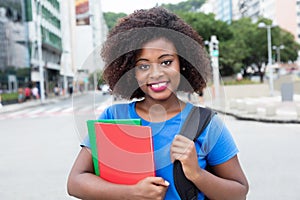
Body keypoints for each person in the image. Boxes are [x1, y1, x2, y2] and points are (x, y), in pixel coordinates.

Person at [67, 7, 248, 200]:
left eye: (166, 62)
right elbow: (75, 182)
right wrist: (132, 193)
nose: (155, 74)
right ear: (131, 73)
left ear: (183, 63)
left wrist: (197, 174)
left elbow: (239, 192)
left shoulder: (206, 123)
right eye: (143, 66)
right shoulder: (114, 118)